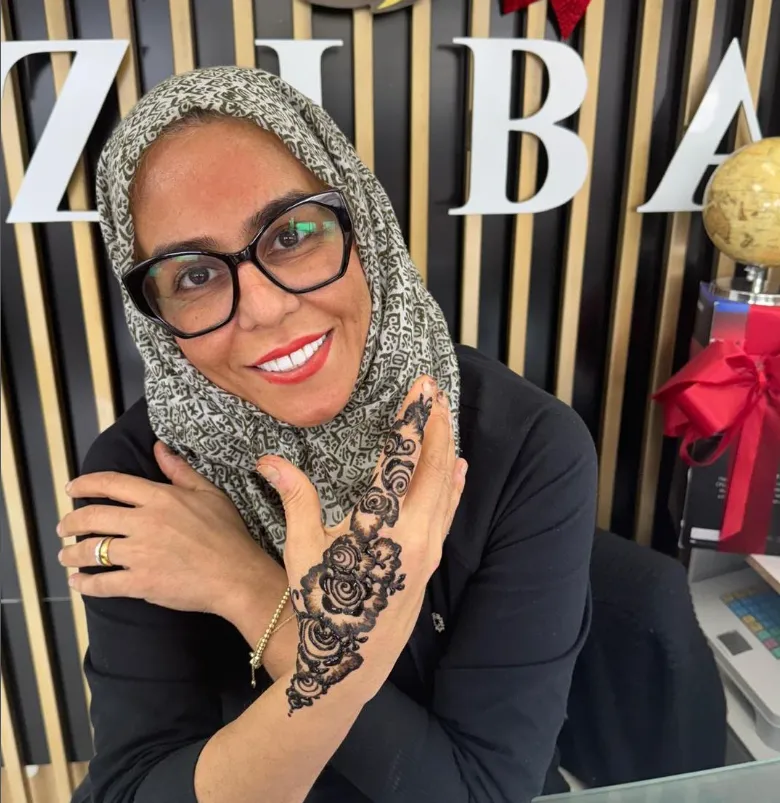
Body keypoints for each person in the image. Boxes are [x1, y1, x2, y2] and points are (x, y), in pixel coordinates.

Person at [59, 66, 596, 803]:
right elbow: (130, 792)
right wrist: (339, 655)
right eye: (193, 276)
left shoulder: (525, 449)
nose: (264, 308)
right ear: (154, 317)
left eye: (292, 234)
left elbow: (485, 793)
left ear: (361, 223)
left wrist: (251, 592)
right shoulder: (145, 476)